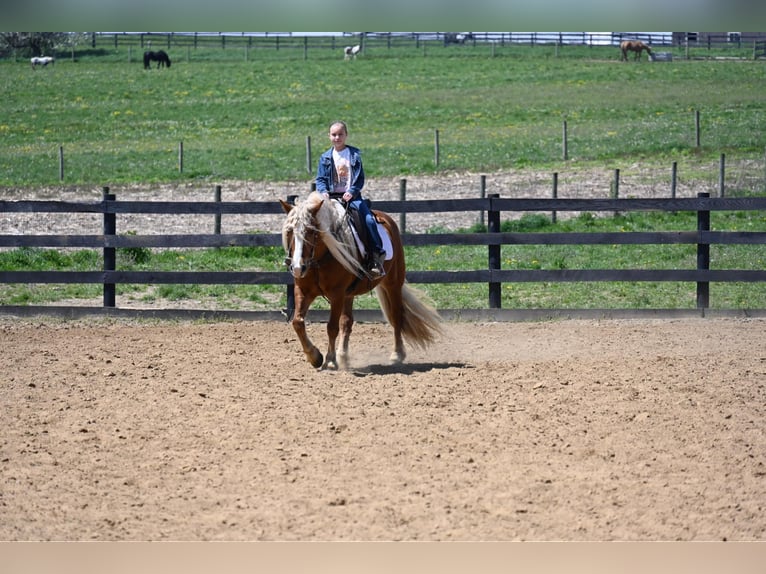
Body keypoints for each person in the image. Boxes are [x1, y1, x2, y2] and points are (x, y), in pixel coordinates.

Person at [315, 120, 386, 276]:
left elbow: (359, 178)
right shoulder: (325, 157)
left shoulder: (354, 155)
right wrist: (323, 191)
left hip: (352, 197)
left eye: (340, 134)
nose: (337, 137)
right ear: (329, 136)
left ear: (346, 135)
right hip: (331, 197)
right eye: (334, 134)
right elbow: (320, 179)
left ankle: (376, 256)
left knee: (368, 220)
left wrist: (352, 191)